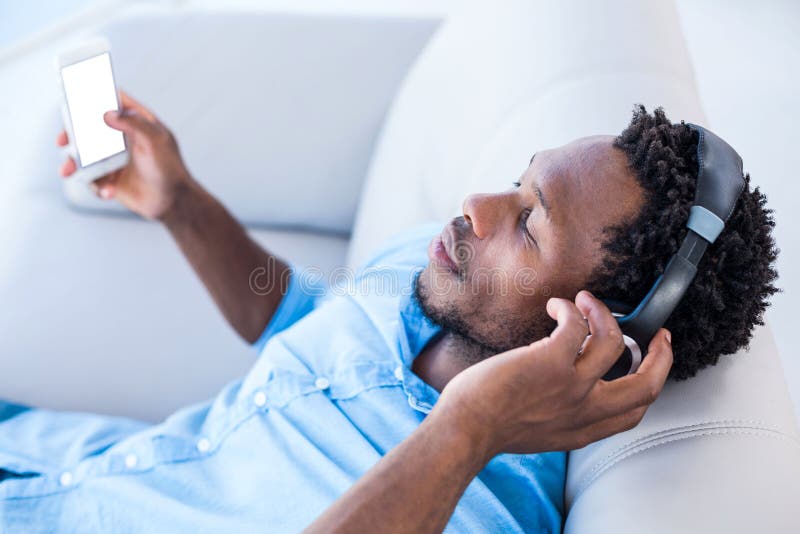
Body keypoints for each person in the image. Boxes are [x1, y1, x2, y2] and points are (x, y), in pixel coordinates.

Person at [0, 93, 776, 532]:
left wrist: (467, 429)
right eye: (517, 179)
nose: (476, 206)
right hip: (42, 450)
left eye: (532, 223)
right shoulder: (434, 272)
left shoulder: (467, 508)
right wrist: (180, 204)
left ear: (605, 337)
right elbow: (304, 317)